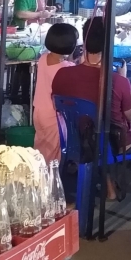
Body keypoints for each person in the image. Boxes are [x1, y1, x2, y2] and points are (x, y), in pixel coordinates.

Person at [53, 16, 131, 198]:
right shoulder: (118, 80)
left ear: (84, 39)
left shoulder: (62, 74)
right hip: (114, 141)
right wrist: (123, 78)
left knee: (99, 134)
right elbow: (129, 117)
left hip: (76, 139)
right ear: (109, 43)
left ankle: (109, 185)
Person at [33, 22, 78, 162]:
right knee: (53, 154)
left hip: (38, 111)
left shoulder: (43, 58)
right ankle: (50, 175)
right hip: (54, 116)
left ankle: (36, 171)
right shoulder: (67, 68)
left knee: (41, 146)